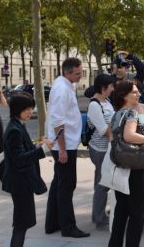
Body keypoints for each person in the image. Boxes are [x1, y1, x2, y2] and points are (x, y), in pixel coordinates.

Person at [108, 80, 144, 247]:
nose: (138, 94)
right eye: (134, 92)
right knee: (136, 214)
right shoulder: (131, 113)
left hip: (120, 165)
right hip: (134, 166)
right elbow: (129, 136)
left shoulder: (116, 114)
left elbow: (114, 137)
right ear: (124, 95)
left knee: (121, 211)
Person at [45, 57, 90, 238]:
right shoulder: (62, 89)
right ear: (68, 72)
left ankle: (52, 223)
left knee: (59, 184)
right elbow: (57, 122)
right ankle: (68, 227)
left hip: (66, 143)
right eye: (78, 73)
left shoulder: (64, 84)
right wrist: (62, 149)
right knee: (66, 186)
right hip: (64, 146)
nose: (80, 76)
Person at [2, 92, 53, 247]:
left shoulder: (17, 125)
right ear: (18, 109)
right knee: (21, 224)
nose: (31, 111)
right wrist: (43, 150)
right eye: (27, 109)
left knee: (22, 223)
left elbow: (23, 151)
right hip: (19, 183)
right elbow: (20, 159)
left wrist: (38, 146)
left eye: (32, 108)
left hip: (22, 182)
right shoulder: (14, 130)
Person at [87, 74, 115, 230]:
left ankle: (97, 215)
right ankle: (99, 218)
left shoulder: (107, 101)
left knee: (103, 183)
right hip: (100, 149)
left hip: (107, 147)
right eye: (110, 86)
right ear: (103, 87)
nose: (112, 89)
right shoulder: (94, 105)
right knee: (102, 184)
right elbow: (103, 129)